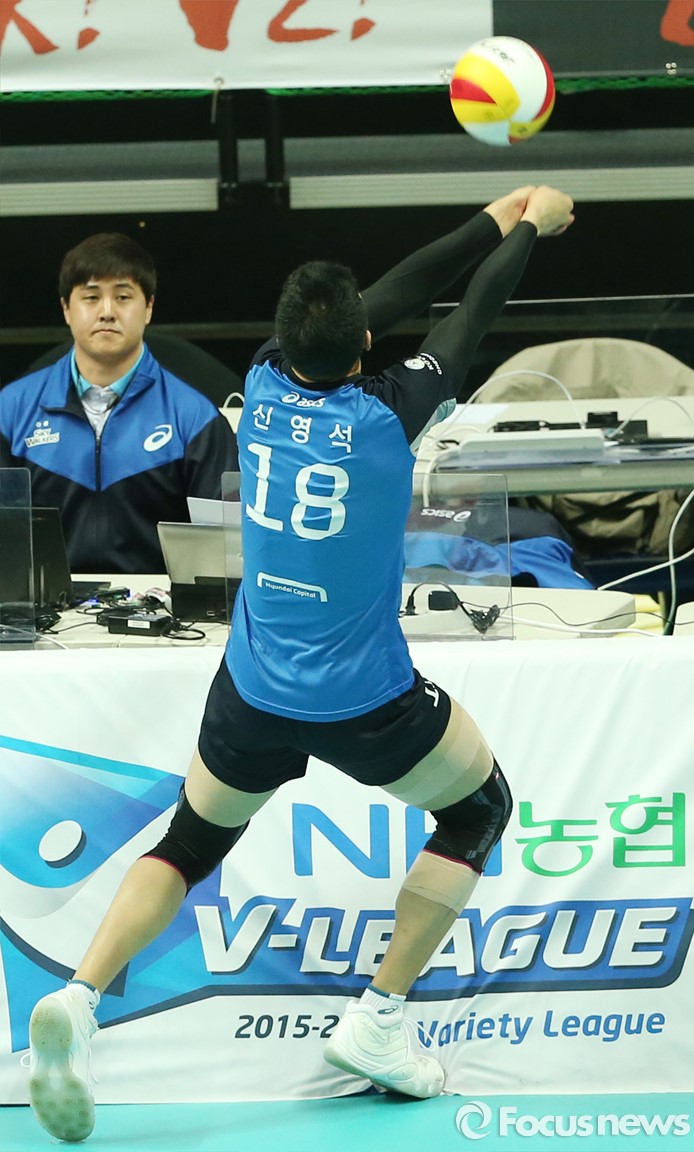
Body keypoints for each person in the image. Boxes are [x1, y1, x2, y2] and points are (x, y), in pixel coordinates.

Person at [26, 185, 574, 1142]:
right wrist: (529, 227)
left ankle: (79, 995)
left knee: (189, 844)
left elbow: (387, 299)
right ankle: (378, 1021)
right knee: (478, 810)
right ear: (364, 347)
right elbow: (470, 311)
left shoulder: (266, 378)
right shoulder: (389, 414)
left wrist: (495, 218)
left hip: (252, 688)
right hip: (366, 700)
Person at [0, 233, 238, 574]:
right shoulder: (10, 412)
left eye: (123, 297)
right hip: (43, 605)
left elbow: (223, 554)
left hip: (160, 604)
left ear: (149, 308)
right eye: (91, 297)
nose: (107, 312)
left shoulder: (194, 418)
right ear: (66, 309)